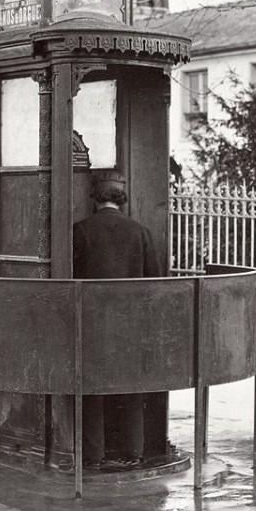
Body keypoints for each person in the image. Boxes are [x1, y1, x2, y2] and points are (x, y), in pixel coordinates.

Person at [72, 170, 161, 469]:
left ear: (94, 197)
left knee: (91, 389)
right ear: (121, 197)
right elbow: (155, 281)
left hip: (92, 324)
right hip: (130, 324)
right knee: (132, 386)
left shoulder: (80, 231)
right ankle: (133, 451)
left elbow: (70, 281)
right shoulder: (139, 231)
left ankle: (93, 455)